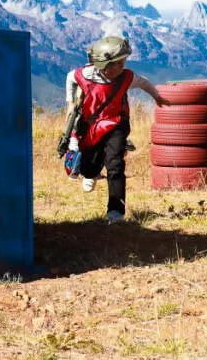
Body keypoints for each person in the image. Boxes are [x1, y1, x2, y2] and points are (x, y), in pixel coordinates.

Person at [65, 35, 171, 223]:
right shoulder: (85, 75)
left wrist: (157, 97)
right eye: (117, 64)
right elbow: (69, 77)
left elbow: (144, 82)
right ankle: (92, 173)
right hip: (92, 125)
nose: (121, 68)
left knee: (115, 165)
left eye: (123, 63)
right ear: (104, 64)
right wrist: (70, 102)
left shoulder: (127, 77)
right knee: (88, 169)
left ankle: (116, 212)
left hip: (117, 124)